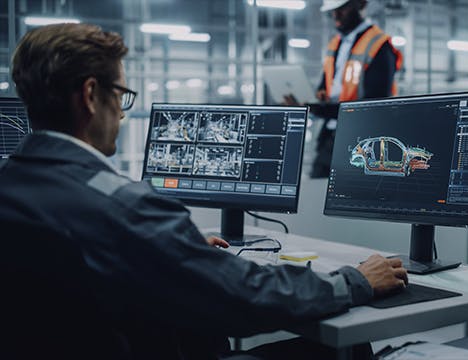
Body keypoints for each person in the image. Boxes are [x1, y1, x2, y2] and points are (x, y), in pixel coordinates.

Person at [0, 23, 408, 359]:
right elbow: (245, 297)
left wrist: (174, 248)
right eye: (120, 96)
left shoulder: (13, 186)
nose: (122, 114)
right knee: (347, 349)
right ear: (90, 96)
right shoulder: (123, 208)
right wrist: (354, 280)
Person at [308, 0, 403, 178]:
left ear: (360, 4)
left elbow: (374, 104)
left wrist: (323, 110)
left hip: (361, 141)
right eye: (332, 11)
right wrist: (315, 98)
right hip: (330, 136)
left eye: (341, 9)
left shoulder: (379, 46)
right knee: (315, 191)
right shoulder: (335, 44)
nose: (336, 16)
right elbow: (326, 84)